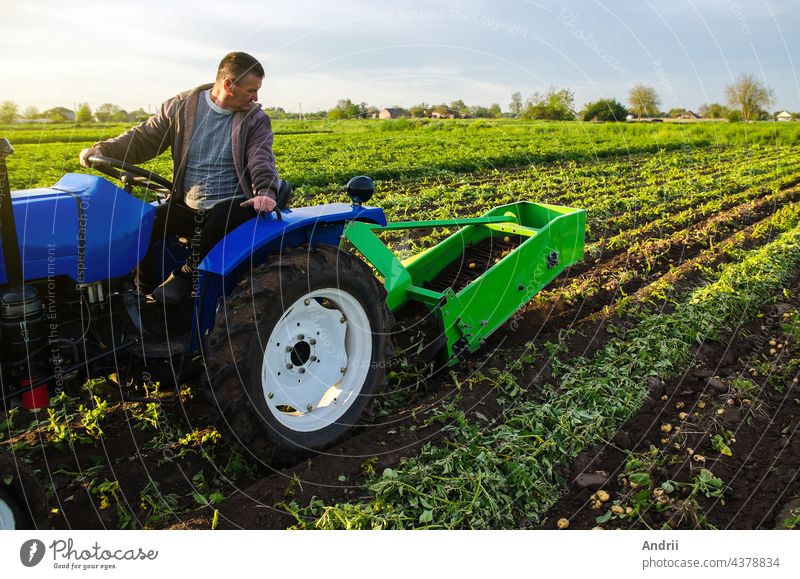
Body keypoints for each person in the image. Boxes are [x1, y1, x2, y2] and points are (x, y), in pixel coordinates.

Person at [79, 51, 278, 304]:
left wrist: (264, 191)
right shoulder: (181, 107)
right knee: (144, 224)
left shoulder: (255, 119)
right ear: (228, 85)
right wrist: (103, 150)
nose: (256, 97)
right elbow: (144, 138)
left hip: (234, 203)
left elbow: (261, 158)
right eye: (252, 90)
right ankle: (143, 295)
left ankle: (185, 276)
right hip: (189, 202)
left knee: (220, 217)